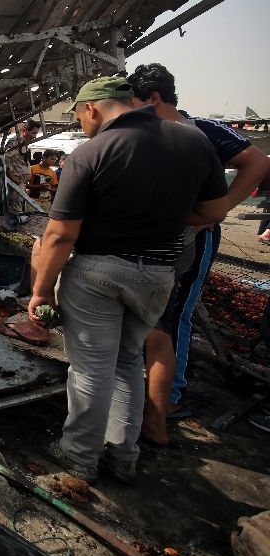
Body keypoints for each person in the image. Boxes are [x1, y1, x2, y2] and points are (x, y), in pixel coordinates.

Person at [29, 76, 228, 484]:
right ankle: (124, 457)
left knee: (90, 369)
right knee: (128, 362)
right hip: (158, 273)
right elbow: (214, 211)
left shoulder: (92, 152)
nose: (83, 124)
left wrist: (41, 289)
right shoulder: (193, 142)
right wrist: (164, 222)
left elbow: (60, 234)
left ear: (92, 109)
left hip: (96, 274)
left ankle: (79, 457)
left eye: (81, 117)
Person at [127, 63, 270, 445]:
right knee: (155, 316)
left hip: (193, 237)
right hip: (156, 239)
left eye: (137, 104)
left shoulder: (202, 129)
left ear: (155, 98)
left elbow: (258, 162)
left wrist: (217, 212)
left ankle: (169, 399)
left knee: (177, 317)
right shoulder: (149, 134)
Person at [3, 121, 41, 216]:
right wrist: (11, 175)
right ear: (25, 130)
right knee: (15, 211)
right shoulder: (15, 142)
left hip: (21, 183)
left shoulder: (24, 143)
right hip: (16, 182)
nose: (34, 136)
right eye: (33, 133)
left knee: (19, 208)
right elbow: (5, 157)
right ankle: (12, 229)